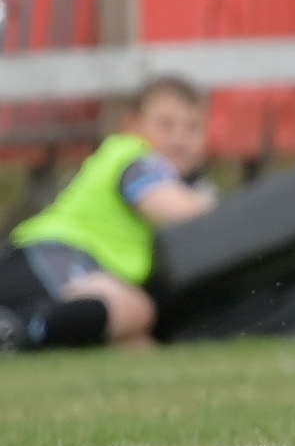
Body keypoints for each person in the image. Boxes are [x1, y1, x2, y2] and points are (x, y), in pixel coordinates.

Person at [0, 76, 216, 351]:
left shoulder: (176, 180)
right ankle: (21, 332)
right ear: (132, 126)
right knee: (134, 308)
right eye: (166, 124)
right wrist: (224, 213)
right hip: (52, 258)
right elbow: (178, 212)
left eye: (192, 127)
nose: (179, 137)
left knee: (135, 334)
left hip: (55, 268)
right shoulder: (135, 158)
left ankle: (20, 329)